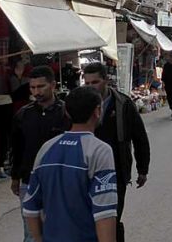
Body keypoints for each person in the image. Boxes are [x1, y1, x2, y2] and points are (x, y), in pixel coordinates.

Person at [23, 86, 117, 242]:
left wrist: (39, 238)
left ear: (66, 112)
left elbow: (30, 206)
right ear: (98, 111)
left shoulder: (47, 148)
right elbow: (104, 212)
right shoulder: (99, 150)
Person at [83, 62, 150, 242]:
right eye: (87, 83)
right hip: (86, 173)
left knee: (111, 220)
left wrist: (143, 169)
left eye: (94, 82)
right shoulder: (79, 105)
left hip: (116, 173)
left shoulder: (123, 104)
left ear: (106, 81)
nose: (90, 87)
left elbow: (140, 138)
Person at [11, 66, 71, 242]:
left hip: (59, 181)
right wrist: (15, 177)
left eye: (41, 86)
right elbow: (17, 149)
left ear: (53, 85)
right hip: (29, 182)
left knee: (60, 229)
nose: (36, 91)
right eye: (32, 87)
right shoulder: (23, 115)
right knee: (31, 233)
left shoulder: (67, 113)